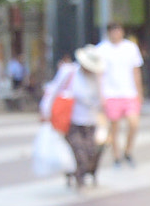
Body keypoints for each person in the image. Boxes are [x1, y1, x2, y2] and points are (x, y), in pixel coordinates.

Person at [42, 45, 107, 189]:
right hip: (72, 121)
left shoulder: (97, 78)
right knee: (79, 151)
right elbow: (53, 90)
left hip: (90, 120)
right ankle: (78, 176)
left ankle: (79, 173)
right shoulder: (70, 72)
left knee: (91, 151)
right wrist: (46, 111)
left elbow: (101, 100)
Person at [95, 23, 144, 168]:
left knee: (133, 123)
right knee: (114, 126)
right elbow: (99, 74)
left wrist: (139, 92)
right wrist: (101, 95)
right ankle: (116, 156)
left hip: (129, 92)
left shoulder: (130, 48)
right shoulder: (101, 49)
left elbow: (136, 71)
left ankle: (128, 150)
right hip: (111, 93)